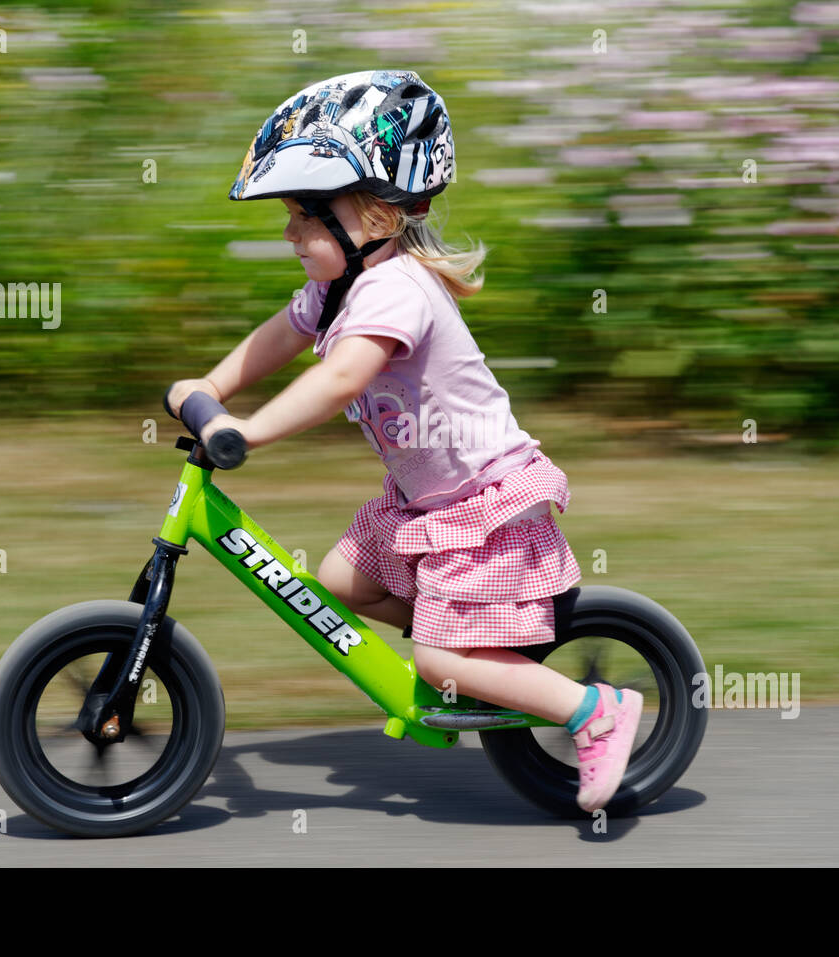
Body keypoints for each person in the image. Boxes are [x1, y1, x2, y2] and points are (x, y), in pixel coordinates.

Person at [166, 70, 642, 812]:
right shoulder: (339, 288)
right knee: (341, 578)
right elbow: (280, 336)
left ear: (378, 221)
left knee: (437, 653)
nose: (290, 232)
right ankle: (481, 661)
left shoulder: (395, 291)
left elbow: (341, 380)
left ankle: (595, 712)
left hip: (485, 505)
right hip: (431, 503)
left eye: (303, 217)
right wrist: (211, 388)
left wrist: (247, 431)